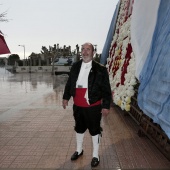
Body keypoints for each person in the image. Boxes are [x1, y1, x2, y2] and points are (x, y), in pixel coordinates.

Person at [62, 42, 112, 167]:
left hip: (93, 106)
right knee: (79, 128)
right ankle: (79, 150)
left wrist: (106, 105)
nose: (85, 52)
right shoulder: (75, 66)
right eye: (83, 49)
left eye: (88, 49)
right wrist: (65, 97)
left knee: (94, 130)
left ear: (93, 52)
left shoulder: (100, 69)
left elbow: (106, 89)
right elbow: (70, 83)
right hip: (77, 106)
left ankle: (95, 154)